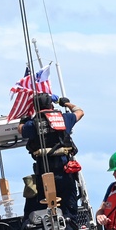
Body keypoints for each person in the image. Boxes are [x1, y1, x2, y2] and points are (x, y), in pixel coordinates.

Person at [19, 93, 84, 222]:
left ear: (36, 108)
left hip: (43, 174)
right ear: (51, 104)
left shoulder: (32, 125)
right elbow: (80, 112)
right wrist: (64, 102)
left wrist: (24, 120)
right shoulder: (64, 119)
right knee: (69, 211)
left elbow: (21, 129)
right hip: (65, 173)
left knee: (42, 209)